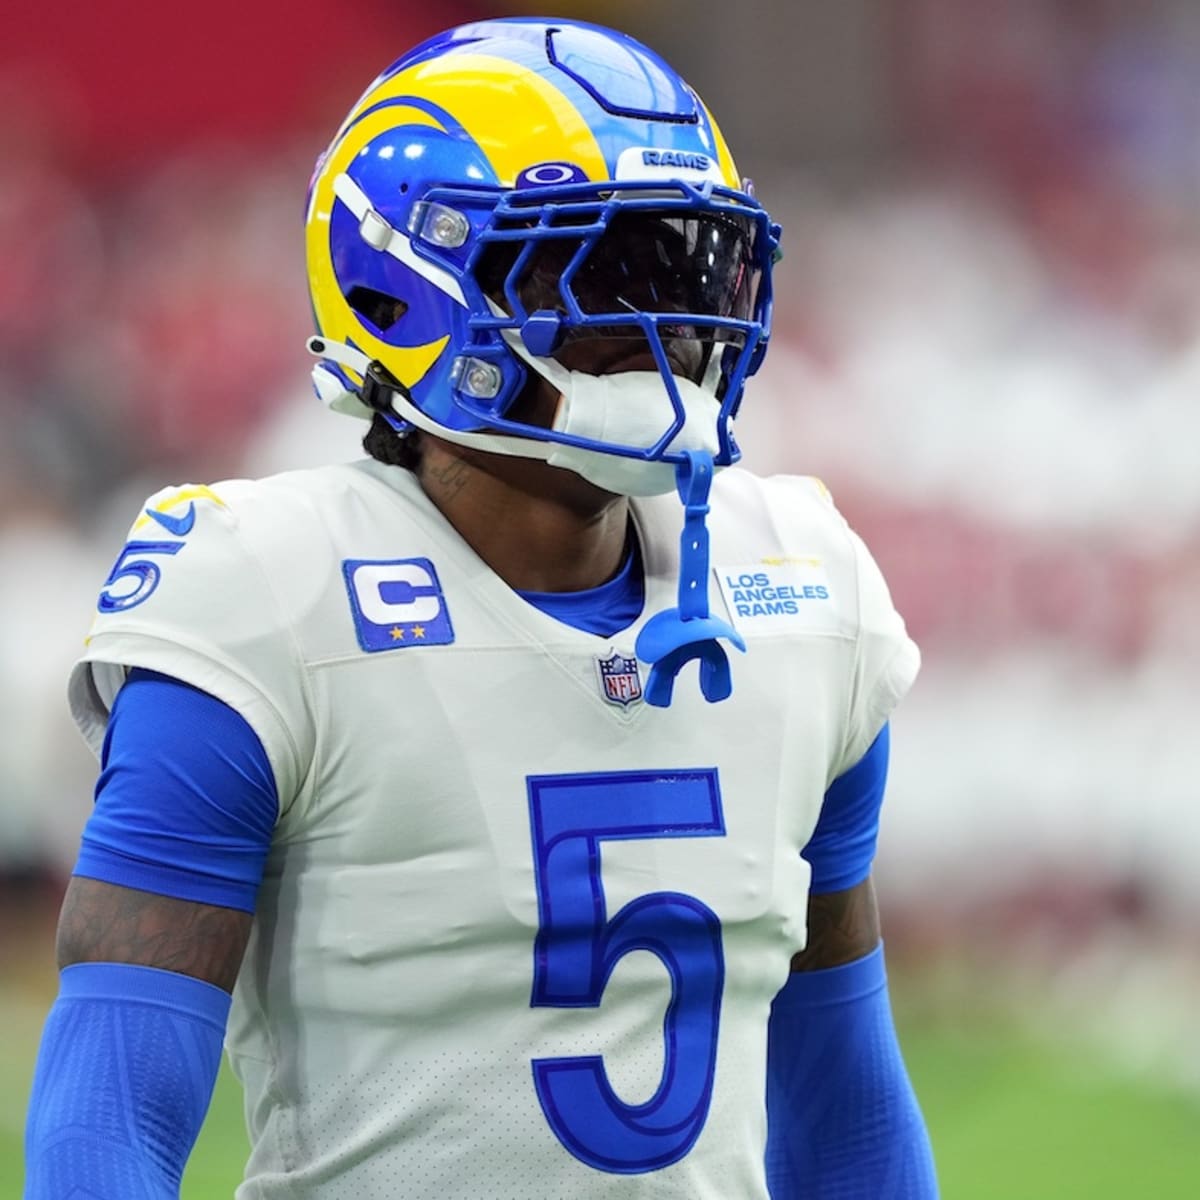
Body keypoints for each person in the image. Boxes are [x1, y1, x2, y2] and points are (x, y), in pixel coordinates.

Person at [24, 16, 938, 1199]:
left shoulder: (802, 593)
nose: (678, 330)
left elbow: (847, 1103)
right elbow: (109, 1118)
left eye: (690, 269)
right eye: (606, 270)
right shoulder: (262, 594)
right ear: (406, 289)